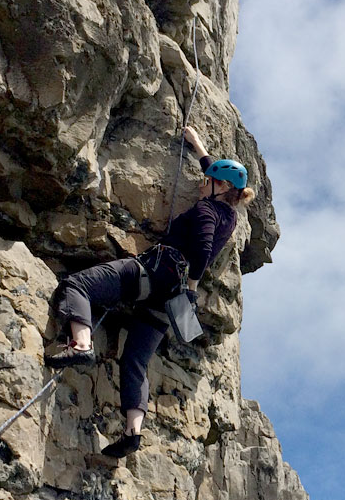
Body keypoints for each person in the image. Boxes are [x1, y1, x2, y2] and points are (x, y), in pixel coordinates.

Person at [44, 126, 256, 458]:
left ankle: (80, 343)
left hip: (156, 272)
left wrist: (194, 284)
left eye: (207, 182)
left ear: (222, 187)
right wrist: (198, 146)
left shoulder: (205, 210)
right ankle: (132, 432)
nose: (201, 185)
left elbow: (201, 248)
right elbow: (215, 174)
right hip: (170, 298)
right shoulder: (228, 213)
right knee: (136, 361)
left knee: (77, 285)